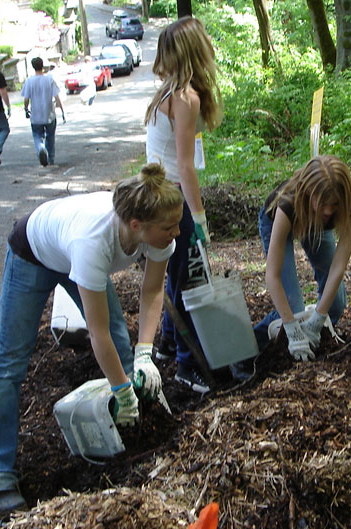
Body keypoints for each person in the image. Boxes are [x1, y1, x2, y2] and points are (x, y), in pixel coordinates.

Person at [0, 163, 183, 515]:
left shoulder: (158, 229)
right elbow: (95, 333)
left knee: (121, 337)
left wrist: (145, 353)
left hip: (67, 246)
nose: (176, 232)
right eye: (169, 227)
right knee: (10, 360)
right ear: (136, 225)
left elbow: (152, 291)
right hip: (32, 251)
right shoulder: (94, 242)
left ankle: (130, 431)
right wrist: (119, 387)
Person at [145, 16, 223, 393]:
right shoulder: (185, 97)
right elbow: (186, 165)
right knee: (192, 281)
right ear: (197, 49)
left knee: (175, 275)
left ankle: (167, 344)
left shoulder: (166, 91)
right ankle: (187, 365)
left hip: (157, 194)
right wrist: (199, 219)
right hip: (173, 199)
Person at [253, 155, 351, 362]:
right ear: (309, 193)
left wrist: (318, 319)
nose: (329, 211)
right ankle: (249, 350)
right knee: (291, 310)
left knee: (336, 304)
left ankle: (311, 340)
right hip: (280, 221)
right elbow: (272, 275)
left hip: (318, 228)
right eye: (323, 203)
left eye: (334, 204)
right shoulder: (288, 203)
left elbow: (339, 265)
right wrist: (291, 327)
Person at [21, 57, 65, 167]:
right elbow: (57, 96)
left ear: (33, 67)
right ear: (42, 66)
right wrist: (63, 111)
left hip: (36, 115)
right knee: (50, 137)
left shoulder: (29, 81)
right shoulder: (49, 79)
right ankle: (50, 158)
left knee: (37, 136)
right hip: (49, 114)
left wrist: (26, 109)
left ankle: (40, 148)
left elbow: (26, 99)